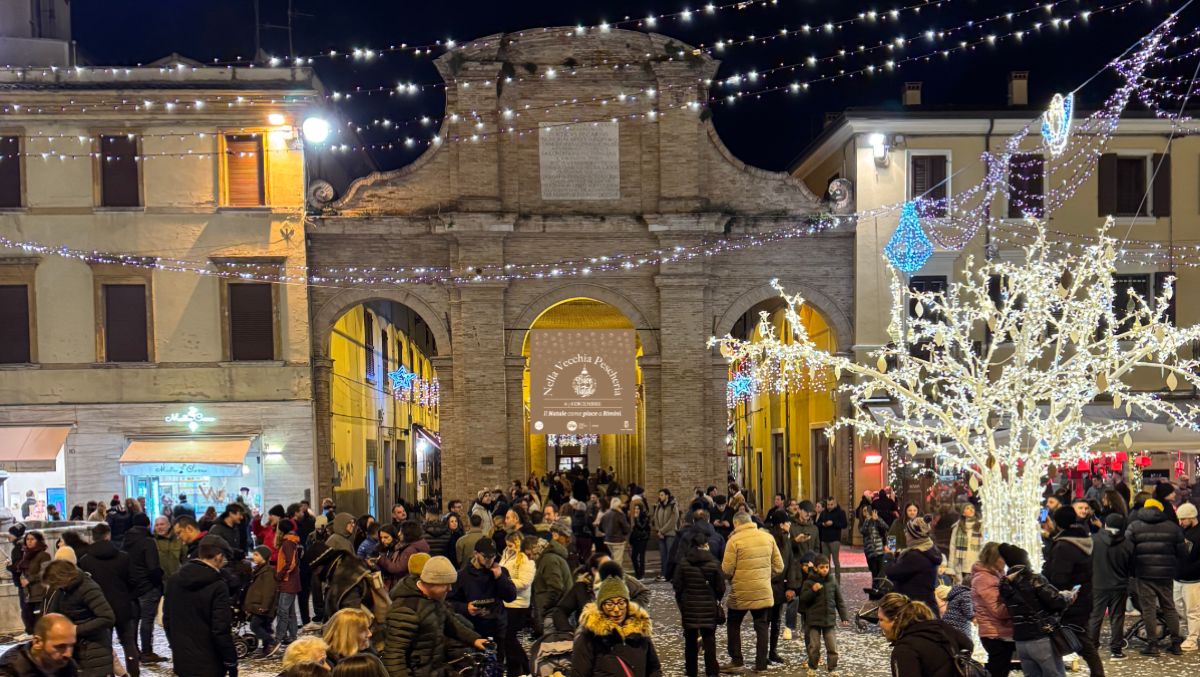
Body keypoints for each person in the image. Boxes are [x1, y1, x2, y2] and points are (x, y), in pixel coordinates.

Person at [383, 556, 488, 677]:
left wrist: (474, 639)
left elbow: (451, 624)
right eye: (445, 585)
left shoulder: (435, 599)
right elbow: (394, 657)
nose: (449, 589)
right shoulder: (406, 609)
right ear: (431, 583)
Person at [162, 539, 237, 677]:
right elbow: (220, 629)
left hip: (182, 660)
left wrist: (176, 646)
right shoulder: (218, 585)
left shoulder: (174, 580)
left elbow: (167, 620)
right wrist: (231, 661)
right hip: (210, 662)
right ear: (218, 557)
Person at [721, 511, 784, 673]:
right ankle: (761, 664)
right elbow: (779, 566)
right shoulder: (767, 538)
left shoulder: (734, 540)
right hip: (762, 590)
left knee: (734, 623)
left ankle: (737, 660)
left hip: (740, 591)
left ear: (736, 524)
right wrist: (764, 576)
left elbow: (726, 570)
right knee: (761, 625)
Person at [1042, 506, 1102, 675]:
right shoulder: (1081, 540)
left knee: (1080, 639)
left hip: (1071, 600)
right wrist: (1054, 533)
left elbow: (1059, 578)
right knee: (1078, 636)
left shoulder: (1064, 547)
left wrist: (1051, 595)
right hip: (1084, 596)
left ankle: (1098, 673)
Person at [1126, 497, 1188, 654]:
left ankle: (1152, 645)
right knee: (1169, 608)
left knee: (1148, 610)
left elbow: (1126, 550)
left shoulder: (1134, 526)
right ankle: (1176, 644)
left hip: (1144, 573)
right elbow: (1182, 552)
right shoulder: (1172, 527)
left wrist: (1133, 568)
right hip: (1166, 574)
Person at [997, 544, 1069, 677]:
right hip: (1041, 637)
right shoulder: (1034, 579)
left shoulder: (1005, 585)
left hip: (1021, 641)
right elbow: (1057, 601)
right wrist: (1067, 597)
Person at [570, 574, 662, 677]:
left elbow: (654, 669)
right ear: (601, 607)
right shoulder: (589, 638)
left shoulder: (640, 631)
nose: (617, 610)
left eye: (621, 603)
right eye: (610, 604)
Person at [77, 523, 138, 677]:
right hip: (122, 606)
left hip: (98, 609)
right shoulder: (123, 557)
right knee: (129, 643)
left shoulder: (85, 561)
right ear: (108, 536)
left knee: (104, 645)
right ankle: (134, 673)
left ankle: (108, 674)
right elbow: (133, 581)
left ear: (92, 538)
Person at [41, 560, 115, 677]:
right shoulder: (63, 590)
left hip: (93, 651)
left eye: (55, 583)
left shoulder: (88, 588)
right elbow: (53, 613)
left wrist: (75, 630)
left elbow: (107, 618)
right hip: (76, 650)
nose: (54, 587)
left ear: (64, 578)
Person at [878, 593, 973, 677]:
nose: (878, 624)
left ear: (894, 621)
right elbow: (968, 645)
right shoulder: (941, 628)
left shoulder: (905, 649)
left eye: (881, 620)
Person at [672, 531, 724, 677]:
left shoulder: (683, 563)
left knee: (690, 642)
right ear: (706, 545)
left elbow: (677, 586)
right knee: (709, 640)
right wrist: (715, 599)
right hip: (708, 607)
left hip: (689, 608)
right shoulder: (713, 563)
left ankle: (691, 672)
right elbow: (720, 587)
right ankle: (712, 672)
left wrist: (683, 603)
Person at [450, 538, 516, 651]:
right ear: (475, 554)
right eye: (486, 557)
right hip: (474, 628)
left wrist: (500, 578)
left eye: (493, 556)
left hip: (497, 627)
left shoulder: (500, 572)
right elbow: (450, 602)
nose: (490, 560)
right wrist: (465, 608)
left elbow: (511, 597)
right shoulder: (462, 576)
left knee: (499, 664)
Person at [1090, 513, 1133, 660]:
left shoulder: (1093, 540)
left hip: (1098, 584)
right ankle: (1116, 650)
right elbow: (1131, 567)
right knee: (1117, 618)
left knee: (1095, 617)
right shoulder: (1127, 543)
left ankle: (1091, 647)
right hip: (1119, 586)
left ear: (1105, 524)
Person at [797, 555, 850, 673]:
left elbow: (839, 600)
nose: (825, 570)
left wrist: (844, 616)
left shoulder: (832, 581)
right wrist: (813, 591)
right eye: (822, 567)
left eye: (826, 567)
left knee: (832, 647)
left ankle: (832, 669)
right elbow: (803, 600)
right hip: (814, 620)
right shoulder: (809, 582)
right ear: (815, 568)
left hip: (829, 619)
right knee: (814, 647)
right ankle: (813, 666)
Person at [971, 542, 1015, 677]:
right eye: (1002, 557)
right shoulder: (985, 578)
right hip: (995, 633)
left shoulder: (996, 575)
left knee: (1000, 668)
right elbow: (999, 610)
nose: (1005, 561)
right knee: (998, 670)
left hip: (999, 631)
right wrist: (1017, 607)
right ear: (993, 558)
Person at [500, 532, 535, 676]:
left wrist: (506, 583)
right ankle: (513, 668)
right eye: (507, 545)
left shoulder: (526, 561)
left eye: (511, 546)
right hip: (507, 602)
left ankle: (525, 665)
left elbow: (525, 582)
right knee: (507, 637)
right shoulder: (506, 556)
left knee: (509, 637)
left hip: (518, 604)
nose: (508, 548)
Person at [0, 613, 78, 677]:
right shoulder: (10, 670)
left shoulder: (67, 665)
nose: (68, 654)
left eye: (71, 646)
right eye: (60, 646)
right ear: (37, 642)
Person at [533, 523, 573, 626]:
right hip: (558, 612)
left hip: (553, 615)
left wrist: (545, 608)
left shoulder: (549, 559)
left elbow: (555, 589)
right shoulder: (554, 557)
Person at [245, 546, 279, 658]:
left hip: (261, 606)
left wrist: (264, 605)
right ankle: (267, 648)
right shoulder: (260, 571)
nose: (253, 557)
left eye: (256, 555)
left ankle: (270, 641)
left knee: (255, 625)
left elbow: (269, 590)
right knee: (264, 626)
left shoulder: (267, 572)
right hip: (258, 605)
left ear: (263, 557)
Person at [1175, 502, 1200, 650]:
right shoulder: (1182, 530)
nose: (1181, 522)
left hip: (1193, 578)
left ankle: (1193, 639)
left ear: (1192, 517)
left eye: (1184, 519)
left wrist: (1192, 569)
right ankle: (1194, 631)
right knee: (1178, 605)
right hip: (1178, 576)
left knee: (1192, 610)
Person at [16, 530, 51, 635]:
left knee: (38, 616)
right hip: (27, 592)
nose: (29, 542)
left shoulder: (44, 555)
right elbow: (24, 571)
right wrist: (22, 578)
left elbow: (44, 572)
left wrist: (29, 579)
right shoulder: (26, 555)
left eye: (32, 539)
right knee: (27, 615)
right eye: (27, 539)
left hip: (38, 591)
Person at [276, 519, 302, 645]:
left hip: (288, 581)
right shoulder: (291, 542)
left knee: (283, 611)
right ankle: (293, 635)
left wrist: (280, 575)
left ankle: (279, 637)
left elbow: (290, 563)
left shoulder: (287, 543)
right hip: (292, 581)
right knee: (290, 611)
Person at [948, 503, 983, 582]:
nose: (971, 510)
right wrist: (951, 567)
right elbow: (953, 547)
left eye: (972, 507)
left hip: (976, 564)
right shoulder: (957, 528)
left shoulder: (980, 526)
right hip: (961, 565)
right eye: (967, 508)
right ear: (963, 513)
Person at [650, 490, 679, 582]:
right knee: (663, 555)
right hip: (660, 535)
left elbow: (673, 520)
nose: (660, 497)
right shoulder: (659, 506)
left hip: (669, 533)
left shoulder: (673, 506)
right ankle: (663, 573)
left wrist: (662, 531)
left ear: (667, 496)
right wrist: (659, 531)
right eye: (659, 495)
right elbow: (656, 518)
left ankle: (670, 574)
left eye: (662, 495)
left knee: (670, 554)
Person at [816, 497, 847, 580]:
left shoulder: (840, 512)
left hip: (835, 539)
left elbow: (844, 524)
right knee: (826, 561)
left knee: (835, 561)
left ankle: (837, 580)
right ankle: (827, 578)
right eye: (828, 505)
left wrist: (833, 523)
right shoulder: (823, 513)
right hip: (824, 539)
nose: (829, 506)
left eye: (831, 504)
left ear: (835, 503)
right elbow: (817, 524)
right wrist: (823, 524)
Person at [627, 502, 650, 580]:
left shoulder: (645, 517)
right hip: (636, 538)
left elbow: (642, 527)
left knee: (641, 557)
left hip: (643, 538)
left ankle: (641, 574)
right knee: (634, 557)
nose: (636, 510)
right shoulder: (633, 517)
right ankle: (637, 572)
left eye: (637, 509)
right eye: (635, 509)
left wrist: (636, 519)